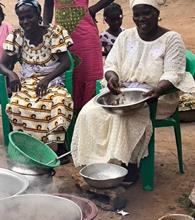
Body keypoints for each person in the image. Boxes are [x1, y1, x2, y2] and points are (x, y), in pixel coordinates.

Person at [71, 0, 195, 183]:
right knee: (89, 112)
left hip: (158, 98)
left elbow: (174, 73)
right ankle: (101, 165)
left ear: (157, 13)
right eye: (137, 14)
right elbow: (112, 64)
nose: (141, 19)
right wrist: (112, 77)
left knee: (124, 118)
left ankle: (127, 167)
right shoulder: (126, 36)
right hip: (124, 93)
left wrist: (157, 90)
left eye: (147, 13)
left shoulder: (171, 38)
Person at [0, 0, 73, 157]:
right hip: (29, 83)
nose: (26, 21)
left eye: (29, 17)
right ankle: (27, 147)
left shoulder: (53, 33)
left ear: (38, 15)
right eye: (22, 18)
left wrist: (47, 79)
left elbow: (66, 63)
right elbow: (1, 65)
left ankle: (56, 148)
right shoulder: (17, 36)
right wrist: (11, 74)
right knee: (17, 104)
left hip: (53, 81)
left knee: (59, 101)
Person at [43, 0, 114, 112]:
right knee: (67, 77)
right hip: (60, 37)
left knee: (89, 75)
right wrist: (46, 31)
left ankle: (89, 118)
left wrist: (94, 9)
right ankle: (71, 120)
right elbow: (48, 4)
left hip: (86, 37)